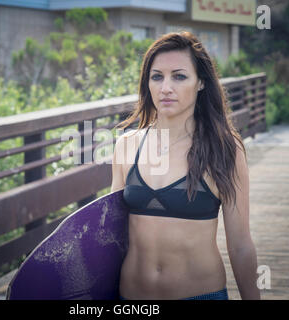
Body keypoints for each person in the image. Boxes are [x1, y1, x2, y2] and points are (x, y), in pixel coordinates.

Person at [110, 31, 260, 300]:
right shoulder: (127, 145)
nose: (166, 87)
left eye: (179, 76)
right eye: (157, 76)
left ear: (201, 83)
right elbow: (109, 233)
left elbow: (240, 245)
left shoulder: (226, 149)